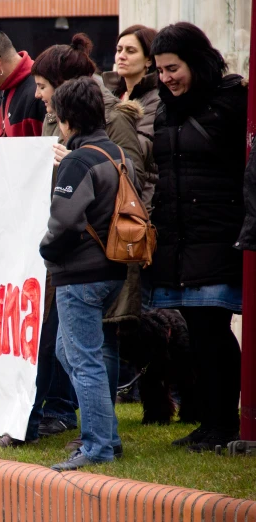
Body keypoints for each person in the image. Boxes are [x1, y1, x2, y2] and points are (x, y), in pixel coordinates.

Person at [148, 22, 248, 452]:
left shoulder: (231, 99)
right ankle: (209, 423)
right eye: (161, 71)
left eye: (174, 68)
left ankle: (224, 423)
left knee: (213, 331)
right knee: (197, 332)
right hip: (179, 237)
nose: (167, 78)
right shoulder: (165, 107)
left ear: (196, 60)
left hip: (217, 232)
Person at [38, 77, 135, 471]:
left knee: (84, 360)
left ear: (66, 119)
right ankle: (107, 435)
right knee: (74, 352)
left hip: (79, 273)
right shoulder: (111, 151)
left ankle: (97, 446)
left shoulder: (78, 161)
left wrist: (45, 251)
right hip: (111, 269)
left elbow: (63, 221)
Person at [103, 25, 160, 211]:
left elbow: (140, 148)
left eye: (130, 51)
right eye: (119, 50)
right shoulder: (113, 95)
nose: (121, 56)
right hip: (113, 189)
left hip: (142, 196)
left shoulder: (155, 98)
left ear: (149, 60)